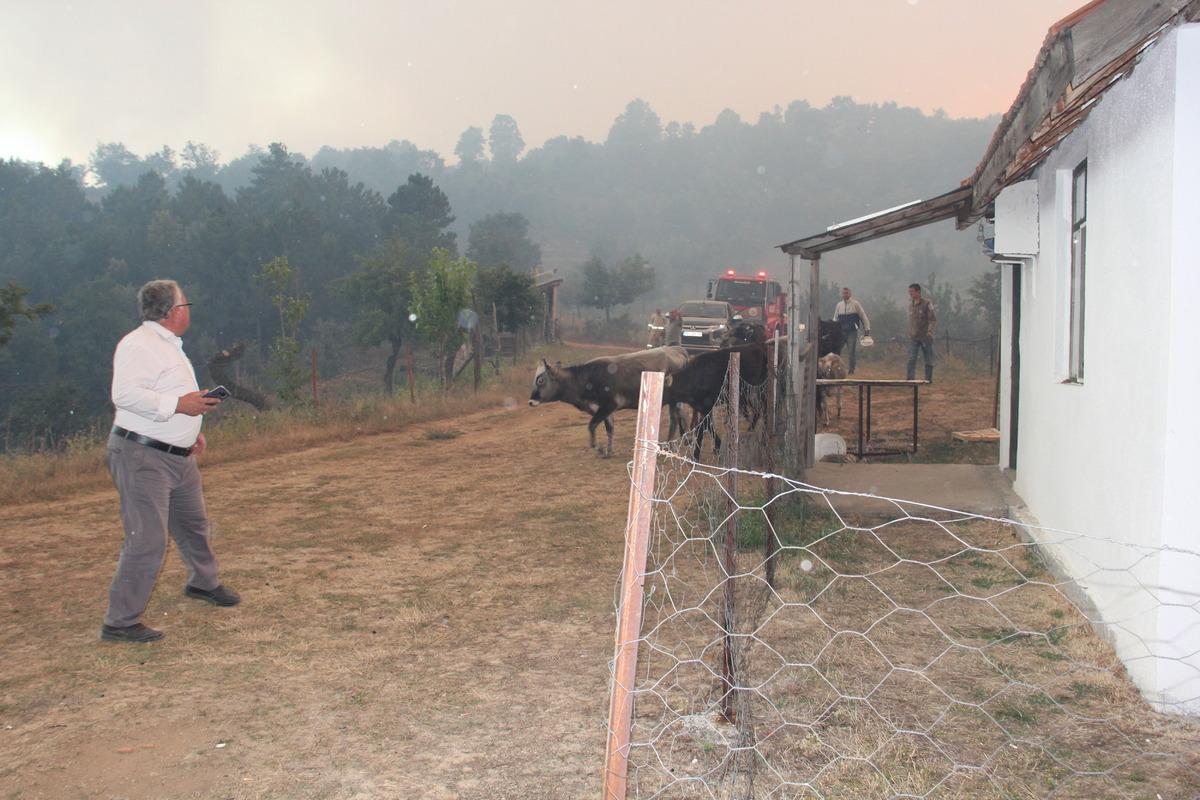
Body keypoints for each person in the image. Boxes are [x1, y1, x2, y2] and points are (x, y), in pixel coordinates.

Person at [100, 280, 240, 643]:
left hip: (178, 455)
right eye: (185, 303)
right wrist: (181, 407)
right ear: (172, 312)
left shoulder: (170, 347)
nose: (188, 309)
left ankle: (203, 583)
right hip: (142, 455)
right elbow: (125, 395)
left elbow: (170, 395)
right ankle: (120, 621)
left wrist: (190, 430)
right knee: (147, 538)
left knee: (194, 525)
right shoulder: (138, 344)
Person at [832, 287, 871, 374]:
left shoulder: (855, 304)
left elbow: (863, 316)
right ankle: (837, 369)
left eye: (847, 293)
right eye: (843, 293)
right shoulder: (839, 305)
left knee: (851, 351)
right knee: (837, 350)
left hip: (852, 331)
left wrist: (867, 328)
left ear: (850, 294)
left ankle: (851, 370)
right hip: (841, 331)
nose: (845, 295)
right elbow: (835, 317)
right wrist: (833, 328)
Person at [905, 282, 937, 383]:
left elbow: (932, 319)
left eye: (912, 292)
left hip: (925, 337)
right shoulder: (911, 305)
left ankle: (928, 379)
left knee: (928, 360)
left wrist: (930, 331)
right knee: (911, 359)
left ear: (918, 291)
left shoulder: (927, 304)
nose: (910, 294)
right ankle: (910, 380)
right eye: (909, 292)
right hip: (913, 337)